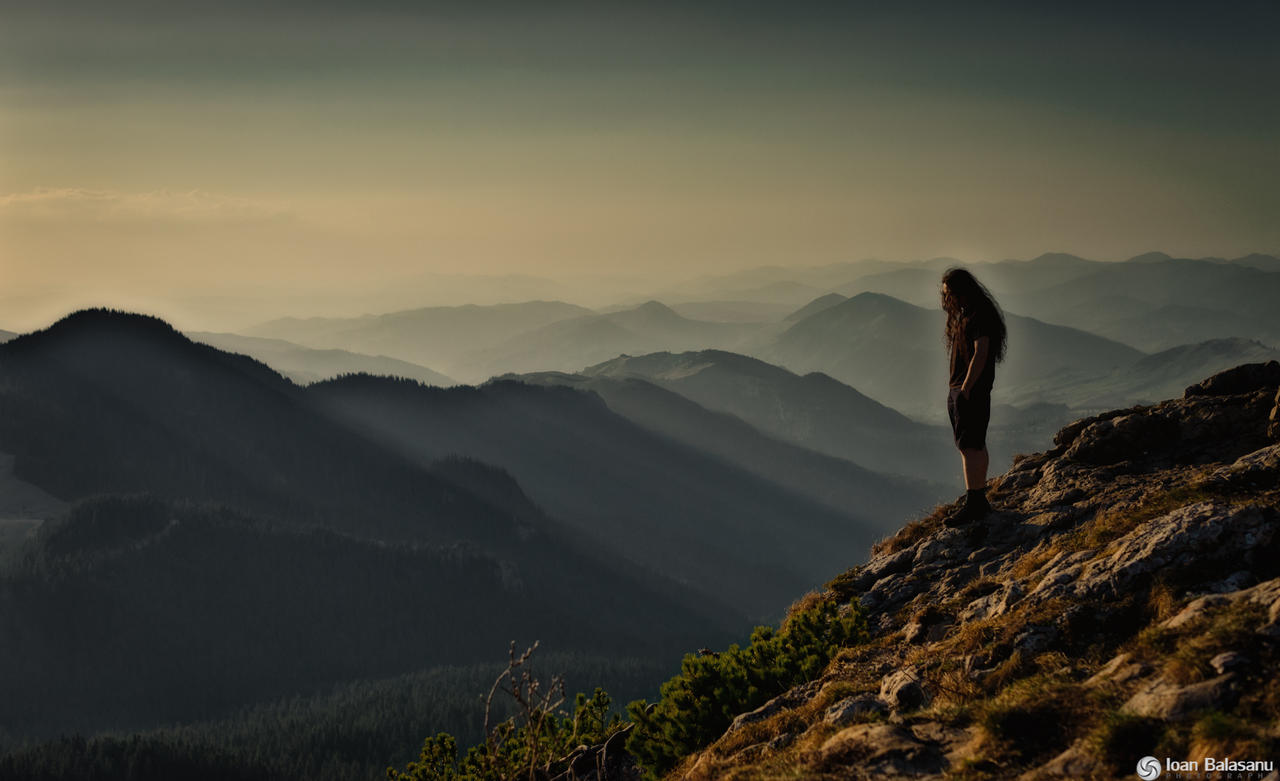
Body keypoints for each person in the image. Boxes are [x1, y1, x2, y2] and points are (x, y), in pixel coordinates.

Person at [940, 268, 1006, 526]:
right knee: (974, 444)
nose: (946, 301)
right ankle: (978, 498)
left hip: (968, 390)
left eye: (949, 295)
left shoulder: (978, 316)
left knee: (969, 446)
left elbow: (982, 351)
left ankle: (975, 503)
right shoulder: (970, 314)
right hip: (964, 388)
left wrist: (966, 387)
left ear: (961, 293)